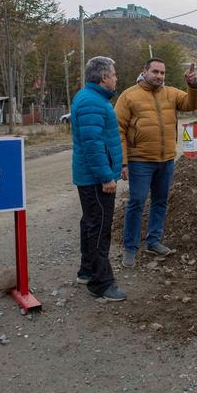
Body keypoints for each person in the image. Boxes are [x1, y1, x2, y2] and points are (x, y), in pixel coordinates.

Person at [115, 58, 197, 267]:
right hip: (140, 161)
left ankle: (153, 241)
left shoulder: (171, 93)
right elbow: (118, 130)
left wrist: (193, 85)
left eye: (162, 73)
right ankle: (130, 248)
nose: (159, 76)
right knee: (136, 203)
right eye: (155, 72)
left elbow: (192, 104)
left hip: (166, 159)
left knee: (160, 201)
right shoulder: (129, 96)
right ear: (144, 71)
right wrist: (123, 163)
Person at [70, 56, 126, 301]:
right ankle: (101, 283)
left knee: (90, 223)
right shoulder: (91, 102)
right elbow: (92, 144)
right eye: (113, 74)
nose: (116, 78)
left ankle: (87, 271)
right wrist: (106, 176)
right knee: (99, 228)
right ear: (104, 77)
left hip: (91, 177)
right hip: (95, 179)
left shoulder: (92, 98)